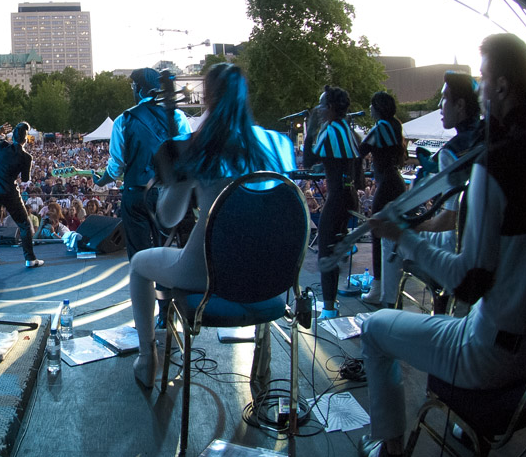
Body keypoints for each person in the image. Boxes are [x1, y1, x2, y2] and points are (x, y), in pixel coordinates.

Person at [358, 34, 526, 457]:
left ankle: (390, 450)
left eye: (485, 78)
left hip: (489, 357)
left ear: (503, 86)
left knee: (376, 329)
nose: (482, 89)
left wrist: (404, 237)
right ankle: (468, 434)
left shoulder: (496, 166)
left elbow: (468, 283)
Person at [127, 63, 294, 390]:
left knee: (138, 264)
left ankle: (148, 360)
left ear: (206, 97)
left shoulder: (199, 148)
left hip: (212, 273)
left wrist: (172, 177)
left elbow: (169, 219)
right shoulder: (280, 146)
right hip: (273, 277)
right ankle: (264, 366)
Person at [378, 71, 481, 306]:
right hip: (482, 243)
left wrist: (413, 225)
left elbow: (449, 221)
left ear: (461, 105)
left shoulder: (451, 153)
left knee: (389, 237)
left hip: (456, 247)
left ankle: (387, 306)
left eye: (444, 98)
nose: (439, 105)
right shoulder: (486, 138)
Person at [94, 67, 193, 260]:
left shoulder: (124, 120)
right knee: (167, 251)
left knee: (140, 255)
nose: (132, 90)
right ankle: (165, 286)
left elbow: (116, 166)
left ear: (139, 89)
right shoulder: (178, 116)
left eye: (132, 86)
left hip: (136, 194)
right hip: (168, 193)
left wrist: (101, 181)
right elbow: (187, 154)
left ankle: (144, 284)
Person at [303, 85, 361, 319]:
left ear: (329, 108)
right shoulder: (348, 130)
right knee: (334, 248)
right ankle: (331, 301)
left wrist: (312, 126)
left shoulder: (330, 130)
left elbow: (308, 160)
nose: (318, 109)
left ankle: (328, 308)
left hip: (336, 197)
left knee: (325, 251)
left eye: (321, 105)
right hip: (349, 196)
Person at [358, 92, 406, 305]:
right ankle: (387, 286)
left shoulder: (382, 127)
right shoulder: (394, 126)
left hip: (387, 184)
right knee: (387, 235)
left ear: (378, 108)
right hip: (393, 183)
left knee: (378, 232)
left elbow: (359, 151)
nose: (369, 109)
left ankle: (379, 287)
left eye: (371, 105)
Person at [0, 122, 43, 268]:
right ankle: (30, 259)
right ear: (25, 140)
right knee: (24, 225)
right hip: (9, 192)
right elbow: (25, 179)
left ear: (11, 137)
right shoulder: (27, 157)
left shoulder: (2, 146)